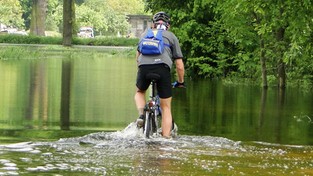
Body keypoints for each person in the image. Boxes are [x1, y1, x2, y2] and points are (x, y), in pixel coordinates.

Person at [134, 11, 185, 138]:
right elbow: (179, 65)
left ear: (153, 24)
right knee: (166, 107)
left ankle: (141, 115)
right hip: (162, 69)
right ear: (168, 25)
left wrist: (142, 70)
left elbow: (137, 58)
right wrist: (180, 82)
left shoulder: (145, 34)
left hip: (144, 68)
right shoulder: (171, 36)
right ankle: (166, 139)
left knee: (140, 92)